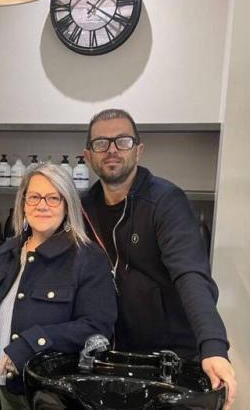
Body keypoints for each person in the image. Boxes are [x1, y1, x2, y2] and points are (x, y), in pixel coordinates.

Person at [80, 108, 236, 408]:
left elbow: (190, 274)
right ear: (88, 155)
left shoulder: (165, 201)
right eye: (101, 143)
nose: (112, 150)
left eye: (122, 141)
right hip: (110, 354)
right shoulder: (83, 207)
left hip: (169, 357)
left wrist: (213, 346)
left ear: (139, 150)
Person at [0, 164, 117, 410]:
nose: (42, 205)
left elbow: (96, 327)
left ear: (67, 204)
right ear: (23, 203)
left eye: (53, 198)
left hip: (48, 395)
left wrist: (32, 342)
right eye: (34, 197)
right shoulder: (8, 252)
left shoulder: (88, 258)